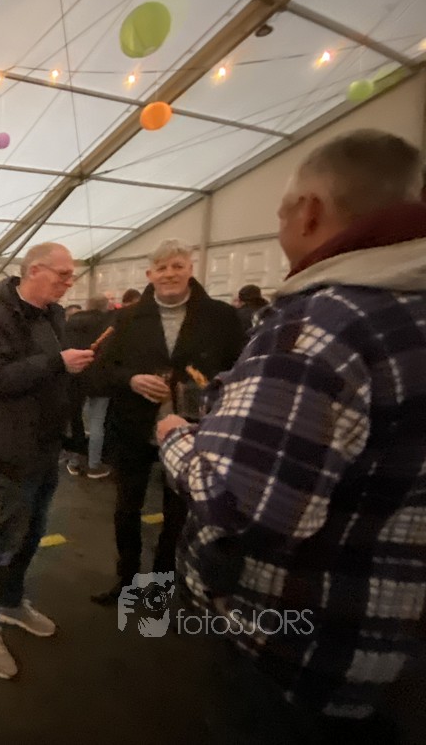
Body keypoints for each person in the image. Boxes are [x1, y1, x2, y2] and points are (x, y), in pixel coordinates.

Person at [157, 129, 426, 742]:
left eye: (280, 215)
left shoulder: (320, 325)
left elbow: (239, 504)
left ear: (308, 211)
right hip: (387, 637)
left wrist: (173, 434)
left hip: (296, 644)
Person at [0, 242, 96, 678]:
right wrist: (57, 363)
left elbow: (51, 373)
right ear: (34, 270)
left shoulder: (54, 315)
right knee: (8, 534)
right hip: (12, 446)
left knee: (34, 529)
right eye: (63, 274)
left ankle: (11, 602)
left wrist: (71, 372)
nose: (69, 282)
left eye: (71, 275)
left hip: (46, 443)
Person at [90, 239, 245, 605]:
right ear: (150, 275)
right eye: (162, 268)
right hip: (134, 427)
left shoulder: (221, 317)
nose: (170, 274)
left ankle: (162, 586)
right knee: (126, 509)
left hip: (193, 430)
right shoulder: (127, 318)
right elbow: (102, 369)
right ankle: (127, 580)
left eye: (177, 266)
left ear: (191, 268)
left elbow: (240, 369)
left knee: (178, 514)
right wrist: (131, 379)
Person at [63, 294, 115, 478]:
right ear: (105, 306)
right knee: (97, 423)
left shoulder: (71, 322)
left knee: (77, 421)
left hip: (76, 376)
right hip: (100, 379)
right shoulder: (108, 324)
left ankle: (74, 462)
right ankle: (94, 465)